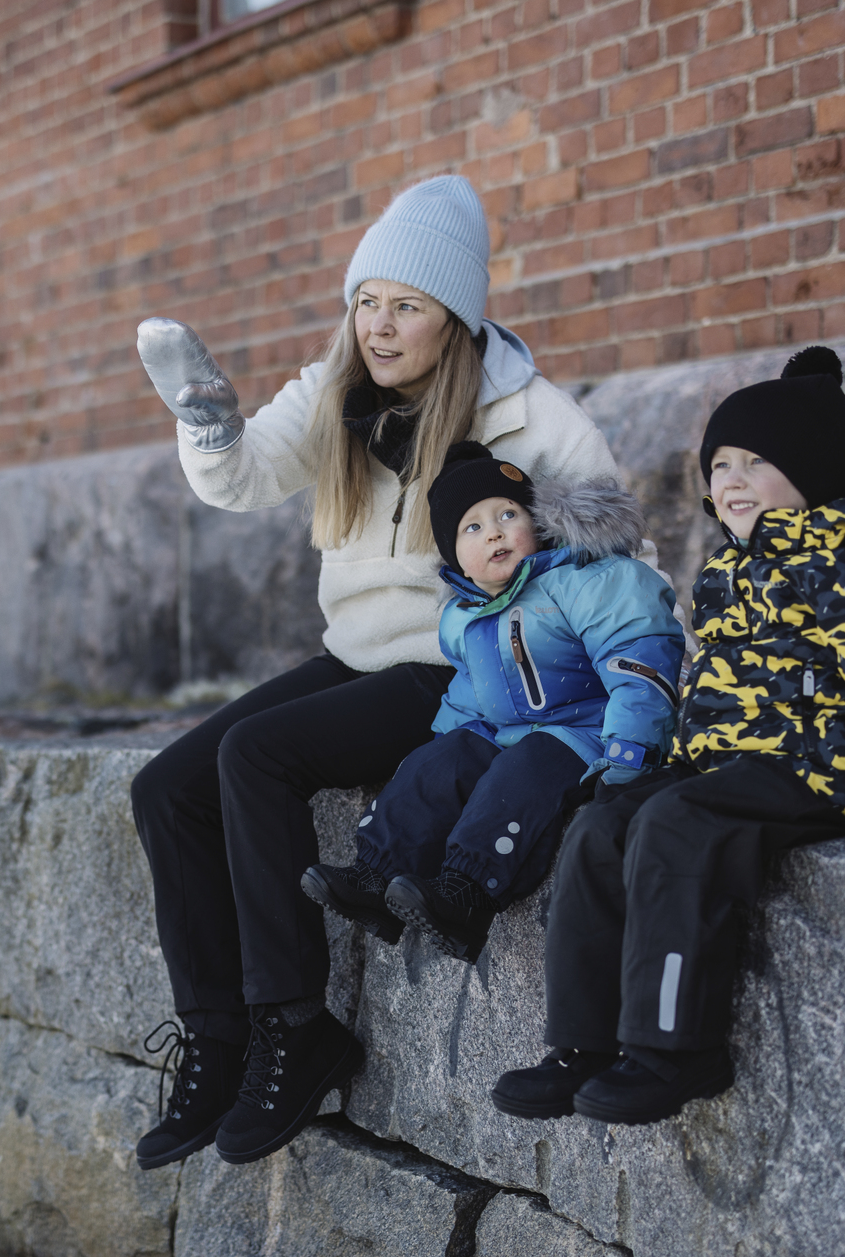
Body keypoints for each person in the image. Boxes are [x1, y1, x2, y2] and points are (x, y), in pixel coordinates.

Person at [129, 174, 649, 1171]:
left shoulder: (524, 412)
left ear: (450, 316)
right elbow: (238, 476)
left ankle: (295, 1024)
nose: (377, 323)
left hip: (456, 675)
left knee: (257, 754)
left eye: (403, 306)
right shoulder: (335, 387)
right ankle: (217, 1035)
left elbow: (617, 554)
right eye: (366, 300)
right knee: (165, 789)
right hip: (357, 655)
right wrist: (204, 418)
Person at [490, 345, 845, 1128]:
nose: (731, 480)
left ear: (811, 471)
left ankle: (676, 1047)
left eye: (755, 463)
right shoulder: (732, 570)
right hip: (731, 762)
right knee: (603, 822)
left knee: (682, 825)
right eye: (721, 465)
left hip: (823, 765)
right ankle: (582, 1045)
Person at [302, 443, 683, 962]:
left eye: (508, 514)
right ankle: (377, 875)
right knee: (441, 761)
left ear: (539, 522)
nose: (495, 532)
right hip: (510, 734)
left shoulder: (587, 580)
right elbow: (469, 695)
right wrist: (443, 760)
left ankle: (466, 891)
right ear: (454, 554)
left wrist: (630, 756)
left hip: (588, 735)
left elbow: (638, 663)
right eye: (472, 527)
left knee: (525, 768)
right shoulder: (465, 617)